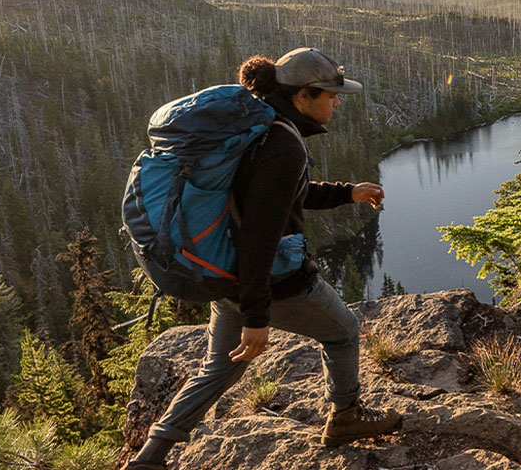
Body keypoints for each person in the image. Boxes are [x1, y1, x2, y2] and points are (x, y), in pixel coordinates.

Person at [126, 47, 401, 470]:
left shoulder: (256, 127)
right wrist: (257, 315)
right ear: (304, 95)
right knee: (343, 331)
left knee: (219, 366)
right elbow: (261, 232)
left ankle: (150, 456)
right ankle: (345, 416)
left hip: (224, 270)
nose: (337, 102)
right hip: (269, 279)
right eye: (330, 94)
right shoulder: (282, 144)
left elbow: (277, 196)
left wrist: (347, 192)